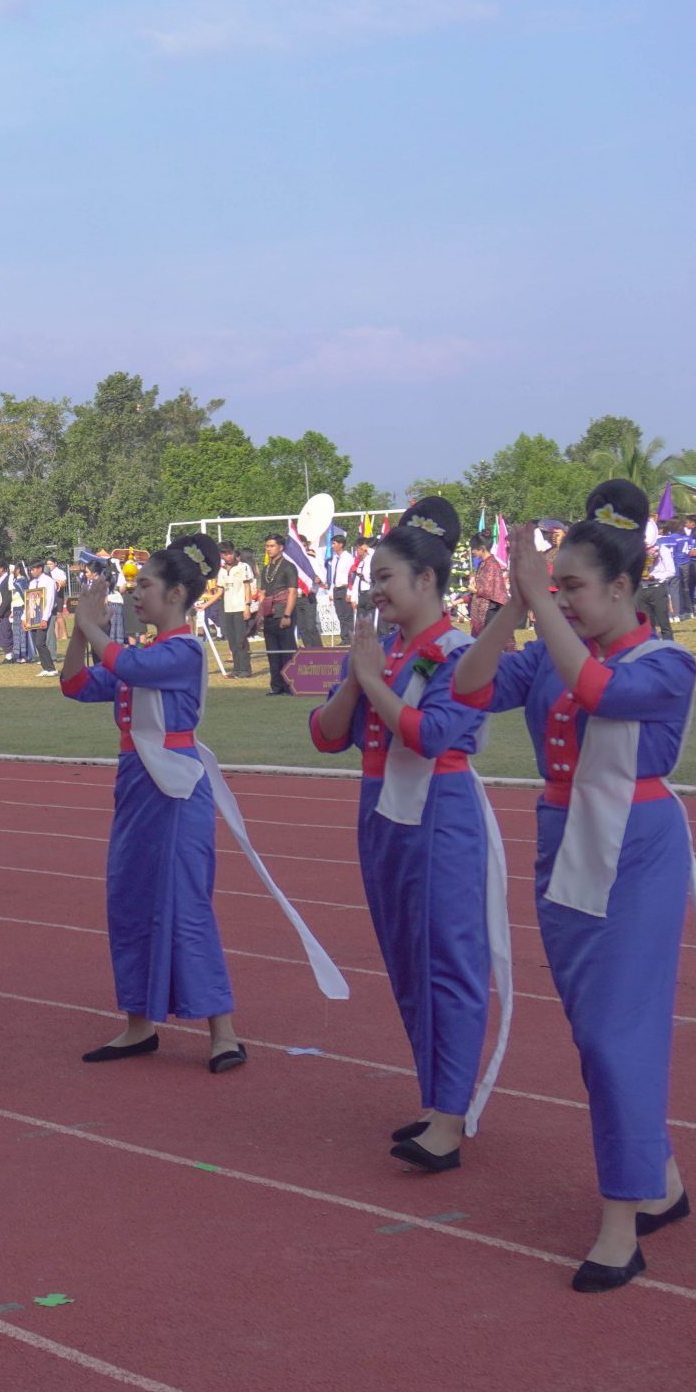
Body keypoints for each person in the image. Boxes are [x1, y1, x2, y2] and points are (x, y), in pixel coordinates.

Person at [450, 481, 696, 1294]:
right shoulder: (548, 650)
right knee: (594, 1030)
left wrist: (541, 604)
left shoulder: (667, 661)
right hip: (563, 842)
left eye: (575, 586)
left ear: (625, 586)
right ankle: (657, 1177)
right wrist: (512, 606)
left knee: (615, 1035)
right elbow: (469, 688)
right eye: (555, 585)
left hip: (637, 847)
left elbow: (602, 693)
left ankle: (620, 1224)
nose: (562, 599)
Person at [309, 499, 511, 1174]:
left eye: (386, 577)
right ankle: (436, 1100)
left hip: (440, 812)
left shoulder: (458, 653)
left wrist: (371, 679)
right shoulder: (384, 651)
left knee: (448, 960)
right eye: (373, 578)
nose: (375, 591)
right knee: (406, 959)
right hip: (382, 812)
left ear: (426, 580)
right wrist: (356, 674)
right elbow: (326, 735)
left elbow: (431, 735)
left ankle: (450, 1116)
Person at [61, 537, 262, 1072]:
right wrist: (80, 630)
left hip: (176, 788)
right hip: (136, 785)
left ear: (175, 594)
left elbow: (128, 667)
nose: (135, 592)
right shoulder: (145, 654)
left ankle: (223, 1031)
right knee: (129, 900)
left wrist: (91, 626)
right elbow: (74, 683)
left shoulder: (183, 651)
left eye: (145, 584)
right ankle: (139, 1022)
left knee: (186, 903)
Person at [258, 535, 301, 695]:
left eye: (272, 546)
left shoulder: (289, 567)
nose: (268, 549)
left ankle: (291, 686)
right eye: (267, 546)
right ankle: (276, 686)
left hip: (284, 612)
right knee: (272, 652)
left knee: (287, 650)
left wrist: (287, 615)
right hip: (269, 613)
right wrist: (260, 613)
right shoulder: (266, 569)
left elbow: (292, 593)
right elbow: (263, 593)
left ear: (281, 547)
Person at [213, 547, 255, 678]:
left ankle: (245, 669)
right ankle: (236, 669)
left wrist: (247, 606)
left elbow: (247, 587)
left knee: (241, 640)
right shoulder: (222, 571)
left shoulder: (243, 567)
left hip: (240, 608)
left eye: (230, 553)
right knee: (232, 641)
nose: (228, 556)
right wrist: (205, 605)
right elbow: (220, 592)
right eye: (224, 554)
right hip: (227, 609)